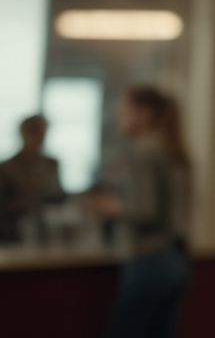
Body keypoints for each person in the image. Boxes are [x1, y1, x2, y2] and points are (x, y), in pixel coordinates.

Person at [88, 86, 193, 338]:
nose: (118, 117)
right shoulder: (172, 150)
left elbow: (146, 210)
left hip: (149, 259)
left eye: (124, 111)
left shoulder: (142, 152)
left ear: (144, 116)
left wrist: (110, 207)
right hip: (176, 259)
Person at [0, 115, 66, 245]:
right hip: (13, 232)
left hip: (48, 230)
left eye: (42, 131)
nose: (39, 136)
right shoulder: (6, 167)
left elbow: (60, 196)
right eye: (34, 131)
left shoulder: (51, 164)